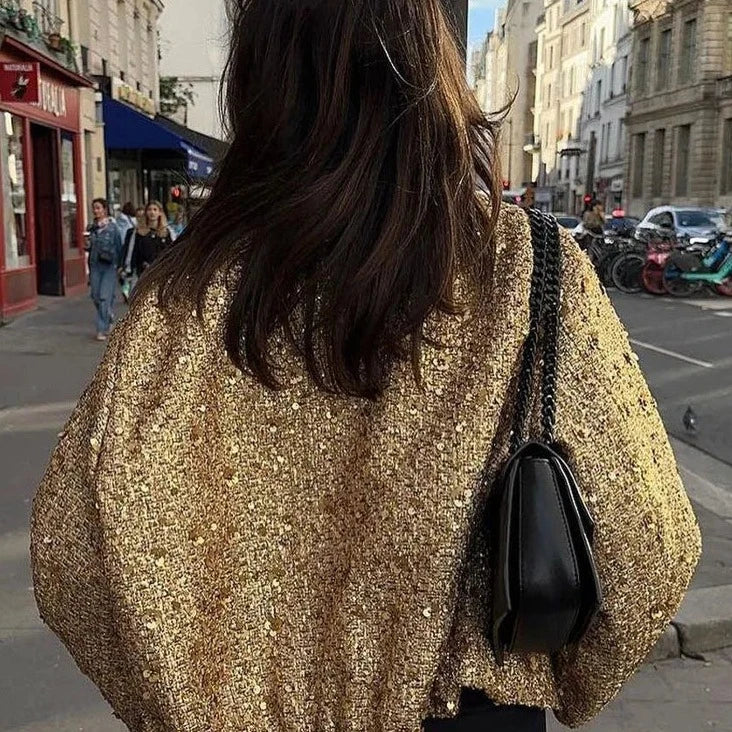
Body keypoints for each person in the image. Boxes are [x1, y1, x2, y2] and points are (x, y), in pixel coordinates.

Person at [31, 2, 700, 731]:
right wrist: (562, 675)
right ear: (432, 71)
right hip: (466, 711)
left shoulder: (182, 294)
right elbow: (650, 548)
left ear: (259, 79)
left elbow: (70, 559)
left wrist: (177, 701)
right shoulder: (522, 267)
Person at [86, 198, 122, 341]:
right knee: (95, 296)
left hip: (109, 266)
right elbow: (89, 247)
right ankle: (109, 316)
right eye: (94, 208)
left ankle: (102, 328)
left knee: (104, 297)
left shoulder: (113, 228)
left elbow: (119, 246)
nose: (96, 211)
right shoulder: (91, 228)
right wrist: (87, 244)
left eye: (98, 208)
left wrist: (120, 265)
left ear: (104, 210)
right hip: (94, 265)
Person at [129, 200, 173, 276]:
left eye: (155, 210)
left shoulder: (166, 232)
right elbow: (134, 253)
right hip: (144, 273)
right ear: (146, 212)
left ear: (160, 213)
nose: (152, 212)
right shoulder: (139, 233)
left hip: (162, 272)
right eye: (149, 210)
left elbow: (170, 252)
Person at [120, 205, 146, 302]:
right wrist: (122, 264)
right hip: (133, 265)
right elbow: (126, 249)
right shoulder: (131, 232)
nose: (140, 219)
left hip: (145, 265)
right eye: (138, 216)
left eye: (142, 216)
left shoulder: (149, 232)